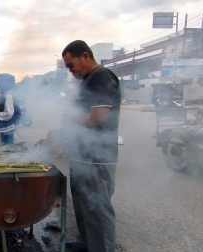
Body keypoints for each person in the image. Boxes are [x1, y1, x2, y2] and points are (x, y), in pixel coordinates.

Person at [61, 40, 120, 252]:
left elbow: (98, 116)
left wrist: (65, 131)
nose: (70, 71)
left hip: (97, 155)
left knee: (97, 207)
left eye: (70, 65)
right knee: (82, 204)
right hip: (81, 153)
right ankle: (85, 242)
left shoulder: (102, 76)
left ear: (85, 56)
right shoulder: (85, 81)